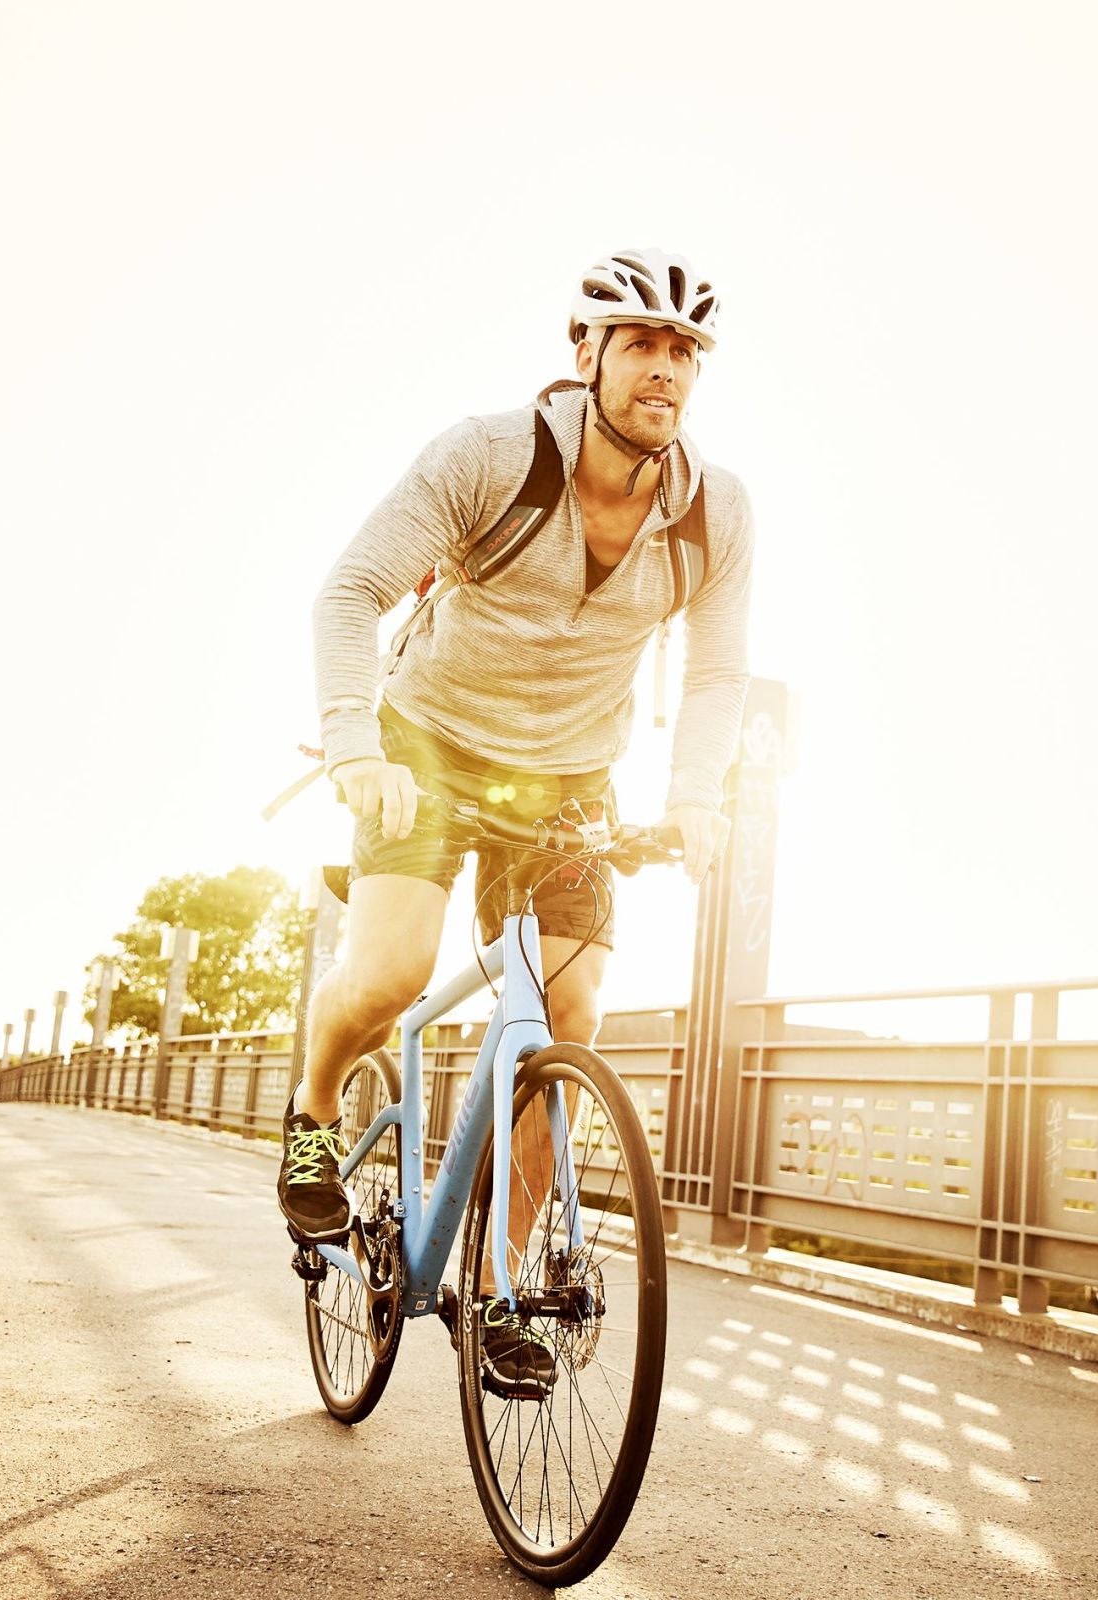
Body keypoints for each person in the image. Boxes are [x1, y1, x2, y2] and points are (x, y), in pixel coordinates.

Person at [289, 248, 754, 1395]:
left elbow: (714, 678)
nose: (664, 370)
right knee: (393, 968)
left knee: (565, 1019)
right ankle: (308, 1108)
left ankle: (503, 1292)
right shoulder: (489, 457)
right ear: (583, 351)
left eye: (683, 351)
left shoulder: (712, 514)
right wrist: (354, 749)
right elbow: (348, 593)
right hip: (427, 746)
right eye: (640, 343)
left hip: (568, 779)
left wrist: (692, 796)